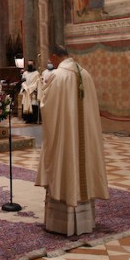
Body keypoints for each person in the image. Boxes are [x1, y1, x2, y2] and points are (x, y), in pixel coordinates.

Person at [35, 45, 109, 236]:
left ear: (54, 56)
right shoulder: (85, 74)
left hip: (65, 136)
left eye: (50, 58)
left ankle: (61, 223)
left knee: (65, 164)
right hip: (83, 135)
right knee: (82, 166)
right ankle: (85, 221)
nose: (50, 62)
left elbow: (46, 106)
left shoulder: (58, 76)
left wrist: (43, 92)